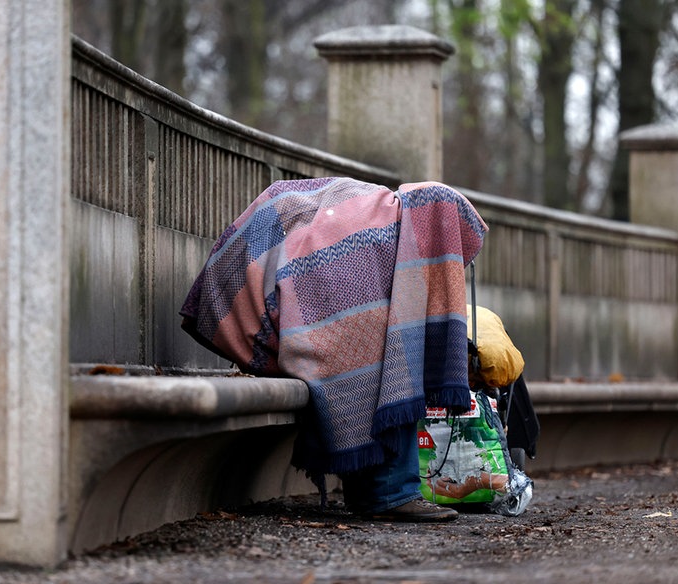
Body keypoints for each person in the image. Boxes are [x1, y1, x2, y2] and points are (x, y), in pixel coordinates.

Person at [180, 177, 487, 522]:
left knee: (392, 356)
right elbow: (348, 314)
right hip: (259, 293)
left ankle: (383, 491)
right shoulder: (379, 233)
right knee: (392, 363)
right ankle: (390, 493)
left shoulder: (387, 219)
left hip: (265, 278)